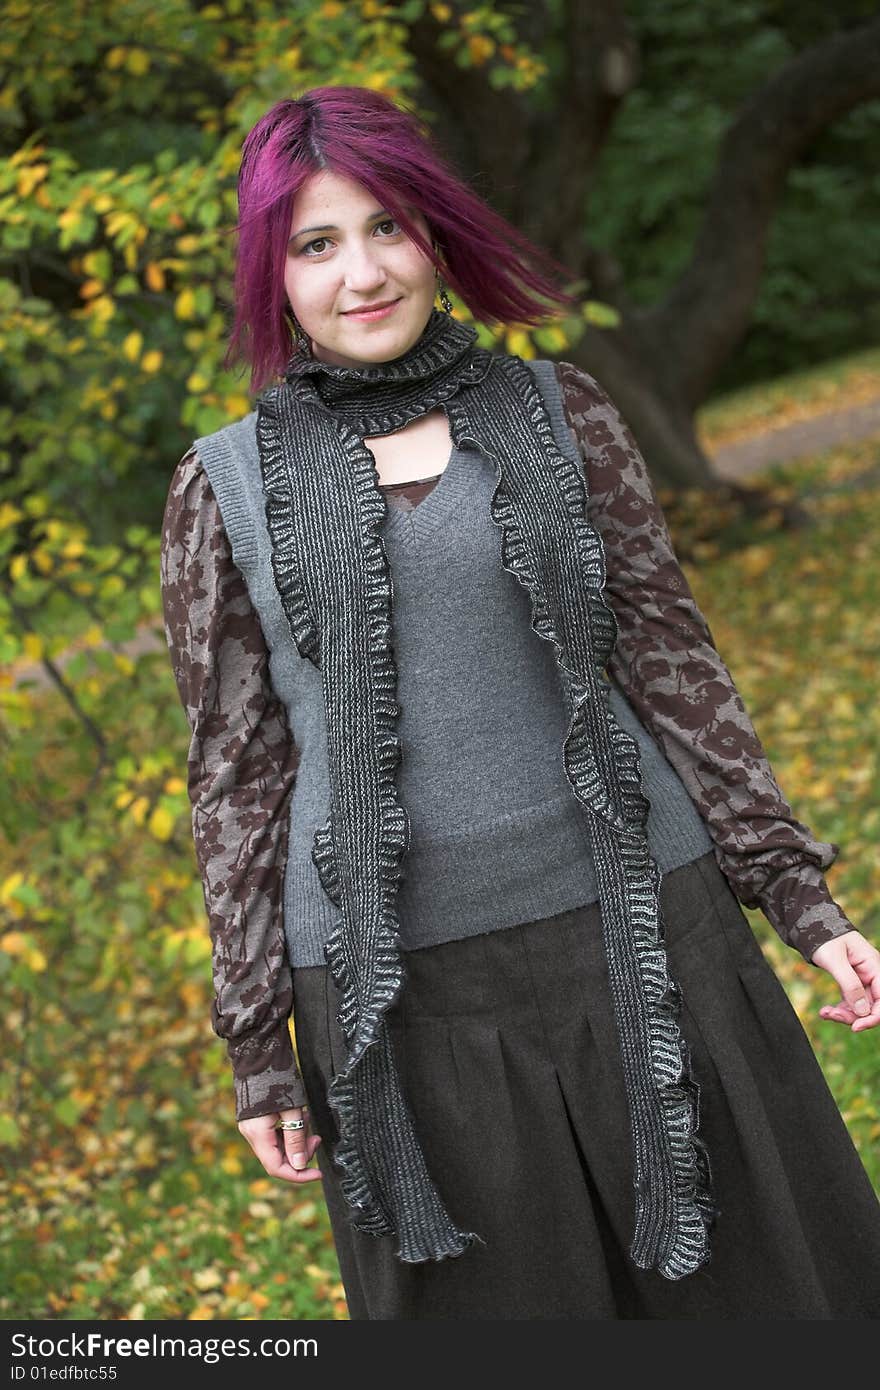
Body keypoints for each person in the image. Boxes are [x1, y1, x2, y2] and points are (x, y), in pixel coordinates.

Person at [160, 85, 880, 1320]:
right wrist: (256, 1043)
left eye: (387, 228)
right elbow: (236, 775)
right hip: (404, 1004)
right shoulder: (221, 490)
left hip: (646, 934)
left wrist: (800, 899)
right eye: (317, 245)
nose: (362, 272)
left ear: (436, 235)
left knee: (768, 1296)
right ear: (272, 276)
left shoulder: (560, 413)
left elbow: (670, 663)